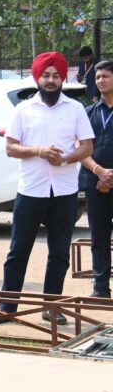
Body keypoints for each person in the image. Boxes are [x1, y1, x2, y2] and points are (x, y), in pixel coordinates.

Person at [0, 52, 93, 325]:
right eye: (46, 75)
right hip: (31, 189)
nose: (51, 80)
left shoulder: (75, 109)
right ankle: (7, 306)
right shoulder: (23, 109)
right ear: (37, 78)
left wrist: (65, 158)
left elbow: (87, 146)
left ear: (62, 78)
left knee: (60, 252)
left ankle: (52, 306)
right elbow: (10, 147)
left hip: (64, 190)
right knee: (18, 250)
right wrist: (39, 151)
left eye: (56, 76)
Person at [81, 59, 113, 299]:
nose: (100, 80)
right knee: (99, 237)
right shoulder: (88, 113)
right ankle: (100, 288)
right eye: (98, 77)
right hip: (95, 184)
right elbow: (81, 149)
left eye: (105, 76)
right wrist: (99, 172)